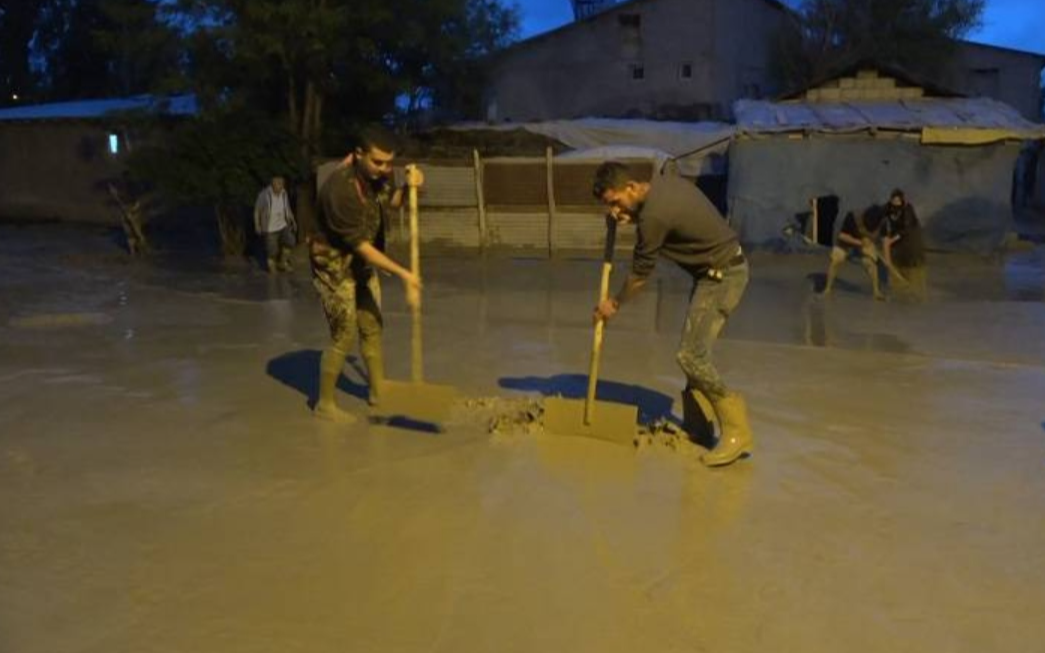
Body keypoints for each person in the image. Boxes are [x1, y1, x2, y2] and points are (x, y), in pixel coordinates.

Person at [591, 161, 753, 467]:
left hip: (723, 275)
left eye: (615, 202)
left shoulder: (654, 216)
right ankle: (698, 426)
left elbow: (640, 275)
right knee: (694, 350)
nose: (613, 210)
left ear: (632, 187)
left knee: (691, 355)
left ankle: (736, 429)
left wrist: (613, 303)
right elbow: (647, 220)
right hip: (716, 272)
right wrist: (625, 213)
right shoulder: (658, 189)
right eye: (609, 206)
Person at [310, 125, 423, 423]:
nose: (384, 169)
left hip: (362, 263)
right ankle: (325, 403)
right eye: (377, 162)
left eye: (389, 163)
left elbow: (392, 203)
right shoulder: (339, 190)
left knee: (372, 325)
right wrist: (404, 274)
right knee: (344, 335)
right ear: (358, 154)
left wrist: (410, 188)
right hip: (333, 266)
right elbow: (361, 247)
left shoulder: (376, 175)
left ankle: (377, 391)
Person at [823, 205, 886, 300]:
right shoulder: (852, 217)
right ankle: (827, 289)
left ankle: (876, 291)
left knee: (871, 264)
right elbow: (842, 236)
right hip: (847, 242)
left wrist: (885, 257)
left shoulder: (882, 222)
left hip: (866, 243)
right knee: (836, 260)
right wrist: (860, 243)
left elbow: (883, 240)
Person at [882, 188, 927, 299]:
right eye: (894, 200)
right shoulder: (887, 207)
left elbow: (906, 229)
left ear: (902, 200)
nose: (896, 202)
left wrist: (891, 240)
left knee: (911, 260)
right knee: (895, 257)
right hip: (896, 234)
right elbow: (880, 215)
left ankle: (914, 287)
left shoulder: (907, 209)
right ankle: (898, 283)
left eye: (898, 200)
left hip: (911, 235)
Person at [254, 176, 297, 272]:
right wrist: (257, 225)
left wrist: (292, 220)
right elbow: (257, 211)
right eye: (279, 184)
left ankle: (283, 262)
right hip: (270, 227)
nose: (281, 186)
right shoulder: (264, 195)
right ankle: (272, 266)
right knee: (272, 250)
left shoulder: (284, 193)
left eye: (282, 184)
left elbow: (287, 207)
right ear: (273, 184)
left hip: (283, 224)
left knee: (290, 242)